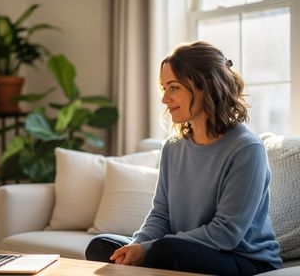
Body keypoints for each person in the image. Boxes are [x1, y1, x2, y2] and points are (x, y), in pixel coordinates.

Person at [85, 41, 282, 275]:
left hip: (241, 258)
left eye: (174, 87)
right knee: (101, 246)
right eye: (164, 89)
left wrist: (148, 249)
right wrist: (136, 245)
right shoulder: (173, 147)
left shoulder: (246, 149)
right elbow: (160, 214)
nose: (165, 99)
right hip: (181, 249)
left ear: (205, 87)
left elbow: (226, 233)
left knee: (164, 251)